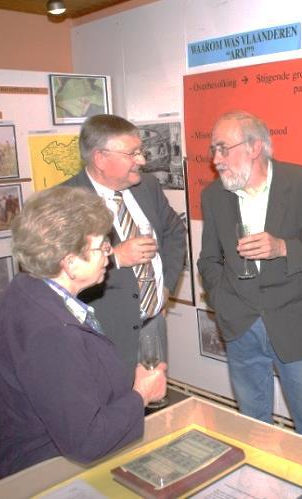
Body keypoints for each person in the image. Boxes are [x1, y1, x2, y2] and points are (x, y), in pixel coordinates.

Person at [0, 186, 166, 478]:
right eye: (101, 247)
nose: (109, 255)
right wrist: (141, 394)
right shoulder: (51, 332)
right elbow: (86, 440)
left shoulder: (23, 290)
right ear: (69, 262)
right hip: (51, 476)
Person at [197, 110, 302, 442]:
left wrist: (283, 248)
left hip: (294, 323)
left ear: (253, 147)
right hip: (240, 326)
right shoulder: (214, 195)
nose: (216, 159)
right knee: (252, 423)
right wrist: (223, 303)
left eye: (223, 148)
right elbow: (209, 260)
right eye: (214, 151)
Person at [63, 114, 186, 382]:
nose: (142, 160)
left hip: (153, 325)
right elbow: (54, 272)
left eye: (140, 151)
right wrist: (115, 257)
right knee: (113, 414)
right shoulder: (66, 201)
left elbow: (175, 232)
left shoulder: (147, 186)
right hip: (105, 335)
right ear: (100, 158)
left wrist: (166, 288)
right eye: (133, 154)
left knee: (154, 411)